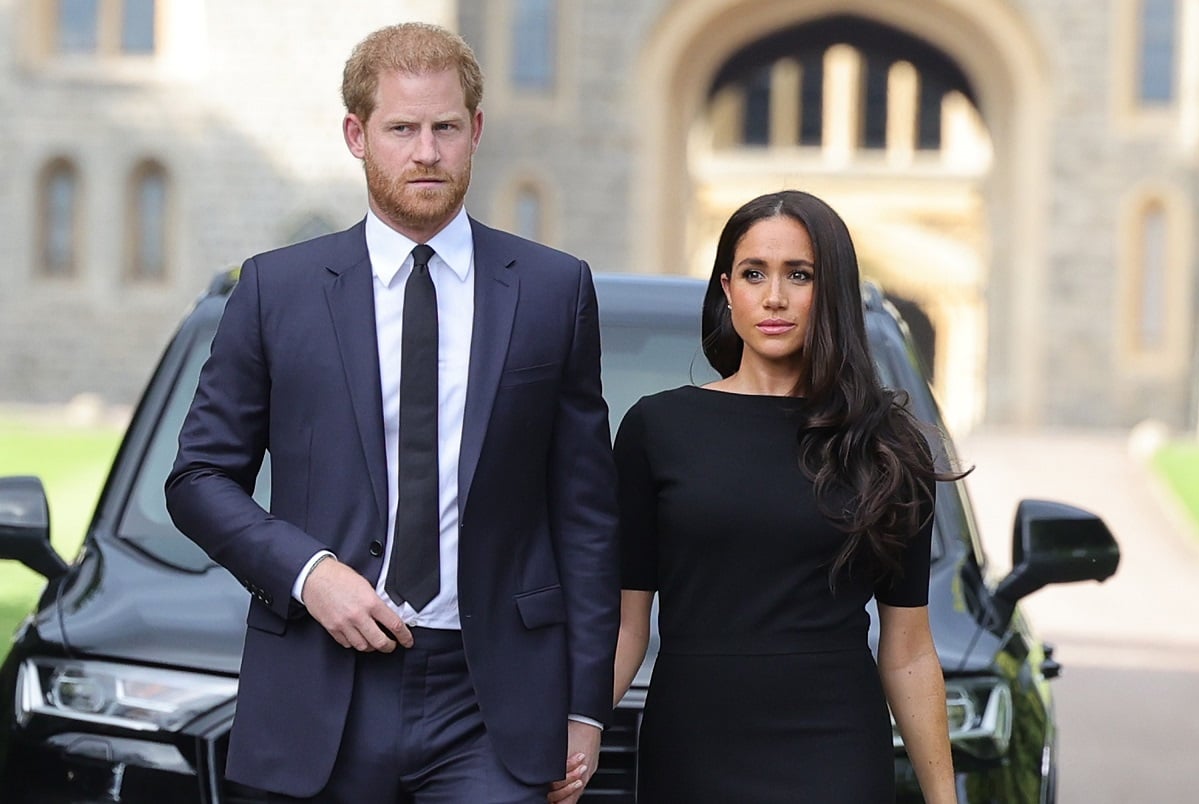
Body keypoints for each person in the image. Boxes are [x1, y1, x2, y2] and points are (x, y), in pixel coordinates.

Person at [165, 22, 619, 804]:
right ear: (357, 134)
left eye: (446, 127)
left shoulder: (553, 290)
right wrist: (309, 575)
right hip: (319, 682)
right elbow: (199, 478)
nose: (427, 152)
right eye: (402, 129)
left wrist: (584, 704)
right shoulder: (276, 290)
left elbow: (584, 515)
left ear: (476, 131)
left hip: (492, 701)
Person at [608, 190, 959, 803]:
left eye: (799, 275)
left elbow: (908, 648)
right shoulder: (656, 429)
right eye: (754, 274)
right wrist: (571, 727)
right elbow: (624, 625)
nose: (774, 297)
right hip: (693, 747)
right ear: (726, 289)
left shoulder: (886, 446)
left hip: (835, 749)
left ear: (833, 292)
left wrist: (942, 798)